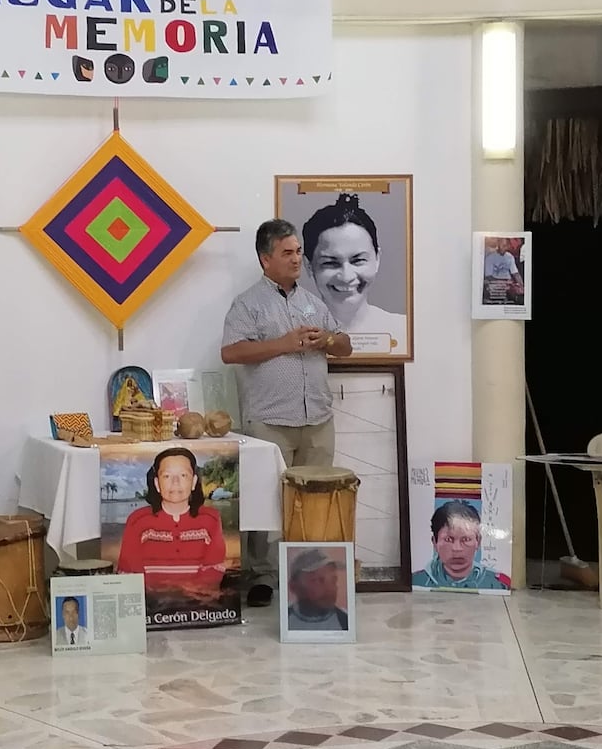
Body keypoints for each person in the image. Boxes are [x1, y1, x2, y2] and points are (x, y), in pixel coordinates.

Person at [222, 219, 353, 604]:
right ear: (266, 259)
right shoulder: (247, 304)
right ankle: (260, 576)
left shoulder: (313, 300)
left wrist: (326, 339)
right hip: (269, 422)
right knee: (263, 501)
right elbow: (231, 352)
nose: (296, 259)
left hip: (317, 420)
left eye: (298, 252)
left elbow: (344, 346)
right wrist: (283, 343)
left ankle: (310, 574)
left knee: (316, 499)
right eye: (287, 253)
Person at [301, 194, 406, 352]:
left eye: (358, 260)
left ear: (377, 259)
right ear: (309, 266)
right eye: (330, 262)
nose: (346, 276)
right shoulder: (295, 329)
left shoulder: (402, 328)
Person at [117, 447, 226, 591]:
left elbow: (214, 569)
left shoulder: (211, 519)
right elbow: (129, 571)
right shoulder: (137, 520)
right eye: (167, 476)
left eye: (183, 475)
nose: (175, 482)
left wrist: (190, 596)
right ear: (157, 483)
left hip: (198, 604)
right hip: (151, 603)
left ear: (193, 482)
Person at [413, 500, 509, 591]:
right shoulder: (416, 582)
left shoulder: (499, 585)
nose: (457, 549)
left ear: (478, 542)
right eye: (448, 539)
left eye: (466, 539)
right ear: (434, 542)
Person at [286, 548, 349, 632]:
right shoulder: (285, 619)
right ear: (293, 586)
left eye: (333, 580)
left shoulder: (345, 621)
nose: (329, 588)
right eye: (317, 580)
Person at [482, 237, 524, 304]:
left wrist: (522, 286)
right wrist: (504, 282)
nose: (504, 248)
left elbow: (516, 274)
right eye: (502, 245)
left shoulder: (510, 257)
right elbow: (488, 277)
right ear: (498, 244)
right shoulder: (490, 257)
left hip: (508, 285)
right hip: (495, 285)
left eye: (506, 245)